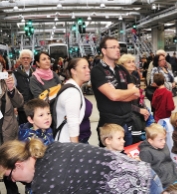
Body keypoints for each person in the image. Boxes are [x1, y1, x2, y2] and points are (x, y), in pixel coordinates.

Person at [0, 138, 161, 193]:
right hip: (146, 174)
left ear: (19, 165)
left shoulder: (45, 183)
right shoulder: (52, 149)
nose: (12, 181)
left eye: (9, 176)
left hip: (140, 188)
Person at [91, 37, 140, 147]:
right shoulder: (97, 71)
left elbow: (136, 94)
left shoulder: (122, 70)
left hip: (128, 122)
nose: (117, 50)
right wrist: (129, 91)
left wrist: (119, 93)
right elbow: (113, 96)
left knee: (128, 157)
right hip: (110, 125)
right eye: (113, 47)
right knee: (110, 160)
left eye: (118, 47)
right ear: (104, 51)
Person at [118, 54, 149, 143]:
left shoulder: (134, 78)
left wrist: (144, 109)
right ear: (122, 65)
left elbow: (139, 98)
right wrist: (140, 110)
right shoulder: (122, 81)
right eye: (129, 62)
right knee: (132, 142)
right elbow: (123, 101)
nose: (132, 64)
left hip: (136, 114)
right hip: (128, 117)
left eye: (133, 62)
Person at [13, 49, 34, 126]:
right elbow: (13, 90)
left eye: (27, 58)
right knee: (24, 128)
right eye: (23, 58)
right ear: (20, 60)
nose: (25, 60)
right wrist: (14, 106)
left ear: (31, 60)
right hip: (21, 108)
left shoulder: (35, 72)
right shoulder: (15, 73)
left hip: (34, 106)